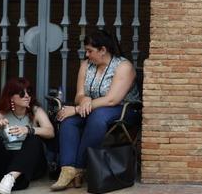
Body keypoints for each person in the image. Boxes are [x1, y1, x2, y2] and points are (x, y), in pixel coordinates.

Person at [51, 30, 140, 191]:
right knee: (68, 119)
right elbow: (79, 94)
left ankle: (79, 168)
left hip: (123, 109)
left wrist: (78, 108)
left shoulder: (123, 66)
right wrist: (83, 100)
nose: (87, 54)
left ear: (103, 50)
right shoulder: (86, 65)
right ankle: (67, 169)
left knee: (97, 117)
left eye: (90, 50)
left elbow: (112, 99)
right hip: (91, 108)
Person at [0, 77, 54, 193]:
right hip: (6, 162)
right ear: (11, 97)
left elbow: (50, 132)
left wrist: (28, 129)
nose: (26, 96)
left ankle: (11, 178)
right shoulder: (2, 113)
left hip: (29, 164)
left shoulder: (36, 111)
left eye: (28, 91)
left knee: (34, 139)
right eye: (21, 93)